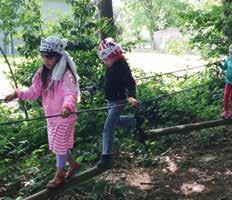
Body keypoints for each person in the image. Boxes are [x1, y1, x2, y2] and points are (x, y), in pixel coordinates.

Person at [4, 36, 80, 188]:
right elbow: (33, 91)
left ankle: (59, 175)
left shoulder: (66, 75)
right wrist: (17, 94)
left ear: (58, 56)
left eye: (49, 56)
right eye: (43, 56)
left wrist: (67, 107)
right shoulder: (42, 73)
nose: (46, 60)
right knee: (59, 146)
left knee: (59, 146)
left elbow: (70, 94)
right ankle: (73, 164)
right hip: (51, 118)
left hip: (65, 116)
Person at [96, 37, 143, 169]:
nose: (104, 62)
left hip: (119, 100)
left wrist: (132, 96)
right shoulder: (110, 67)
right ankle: (136, 121)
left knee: (108, 127)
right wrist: (96, 87)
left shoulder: (122, 66)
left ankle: (106, 157)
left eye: (106, 59)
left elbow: (130, 82)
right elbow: (107, 82)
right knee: (116, 122)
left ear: (113, 56)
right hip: (110, 101)